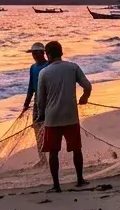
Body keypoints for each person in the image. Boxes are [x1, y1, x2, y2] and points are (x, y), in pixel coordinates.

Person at [33, 40, 91, 193]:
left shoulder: (43, 73)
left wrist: (41, 115)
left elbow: (40, 100)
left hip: (52, 119)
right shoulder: (73, 67)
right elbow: (87, 86)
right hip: (71, 116)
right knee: (76, 149)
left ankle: (56, 185)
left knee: (53, 152)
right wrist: (85, 97)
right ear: (62, 52)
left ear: (48, 54)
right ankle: (80, 180)